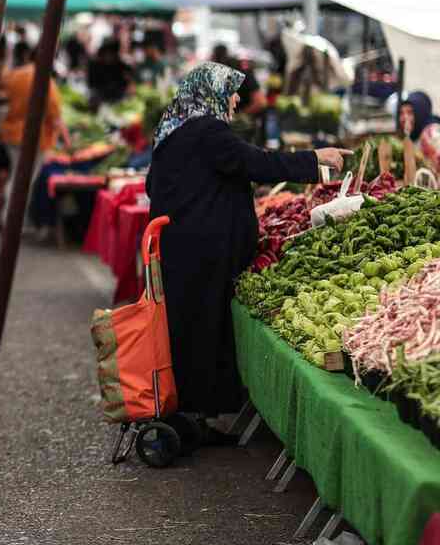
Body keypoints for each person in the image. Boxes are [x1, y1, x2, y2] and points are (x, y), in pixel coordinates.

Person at [145, 63, 348, 438]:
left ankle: (194, 413)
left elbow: (153, 184)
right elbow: (256, 162)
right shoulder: (207, 131)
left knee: (194, 326)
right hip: (201, 253)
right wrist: (314, 158)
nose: (237, 98)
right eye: (232, 90)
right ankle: (194, 416)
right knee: (202, 328)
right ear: (212, 91)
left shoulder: (175, 128)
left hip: (188, 248)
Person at [86, 38, 133, 108]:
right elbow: (91, 84)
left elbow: (128, 82)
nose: (109, 56)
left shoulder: (122, 66)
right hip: (100, 98)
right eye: (106, 53)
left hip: (118, 98)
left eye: (111, 53)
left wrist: (129, 83)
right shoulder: (94, 66)